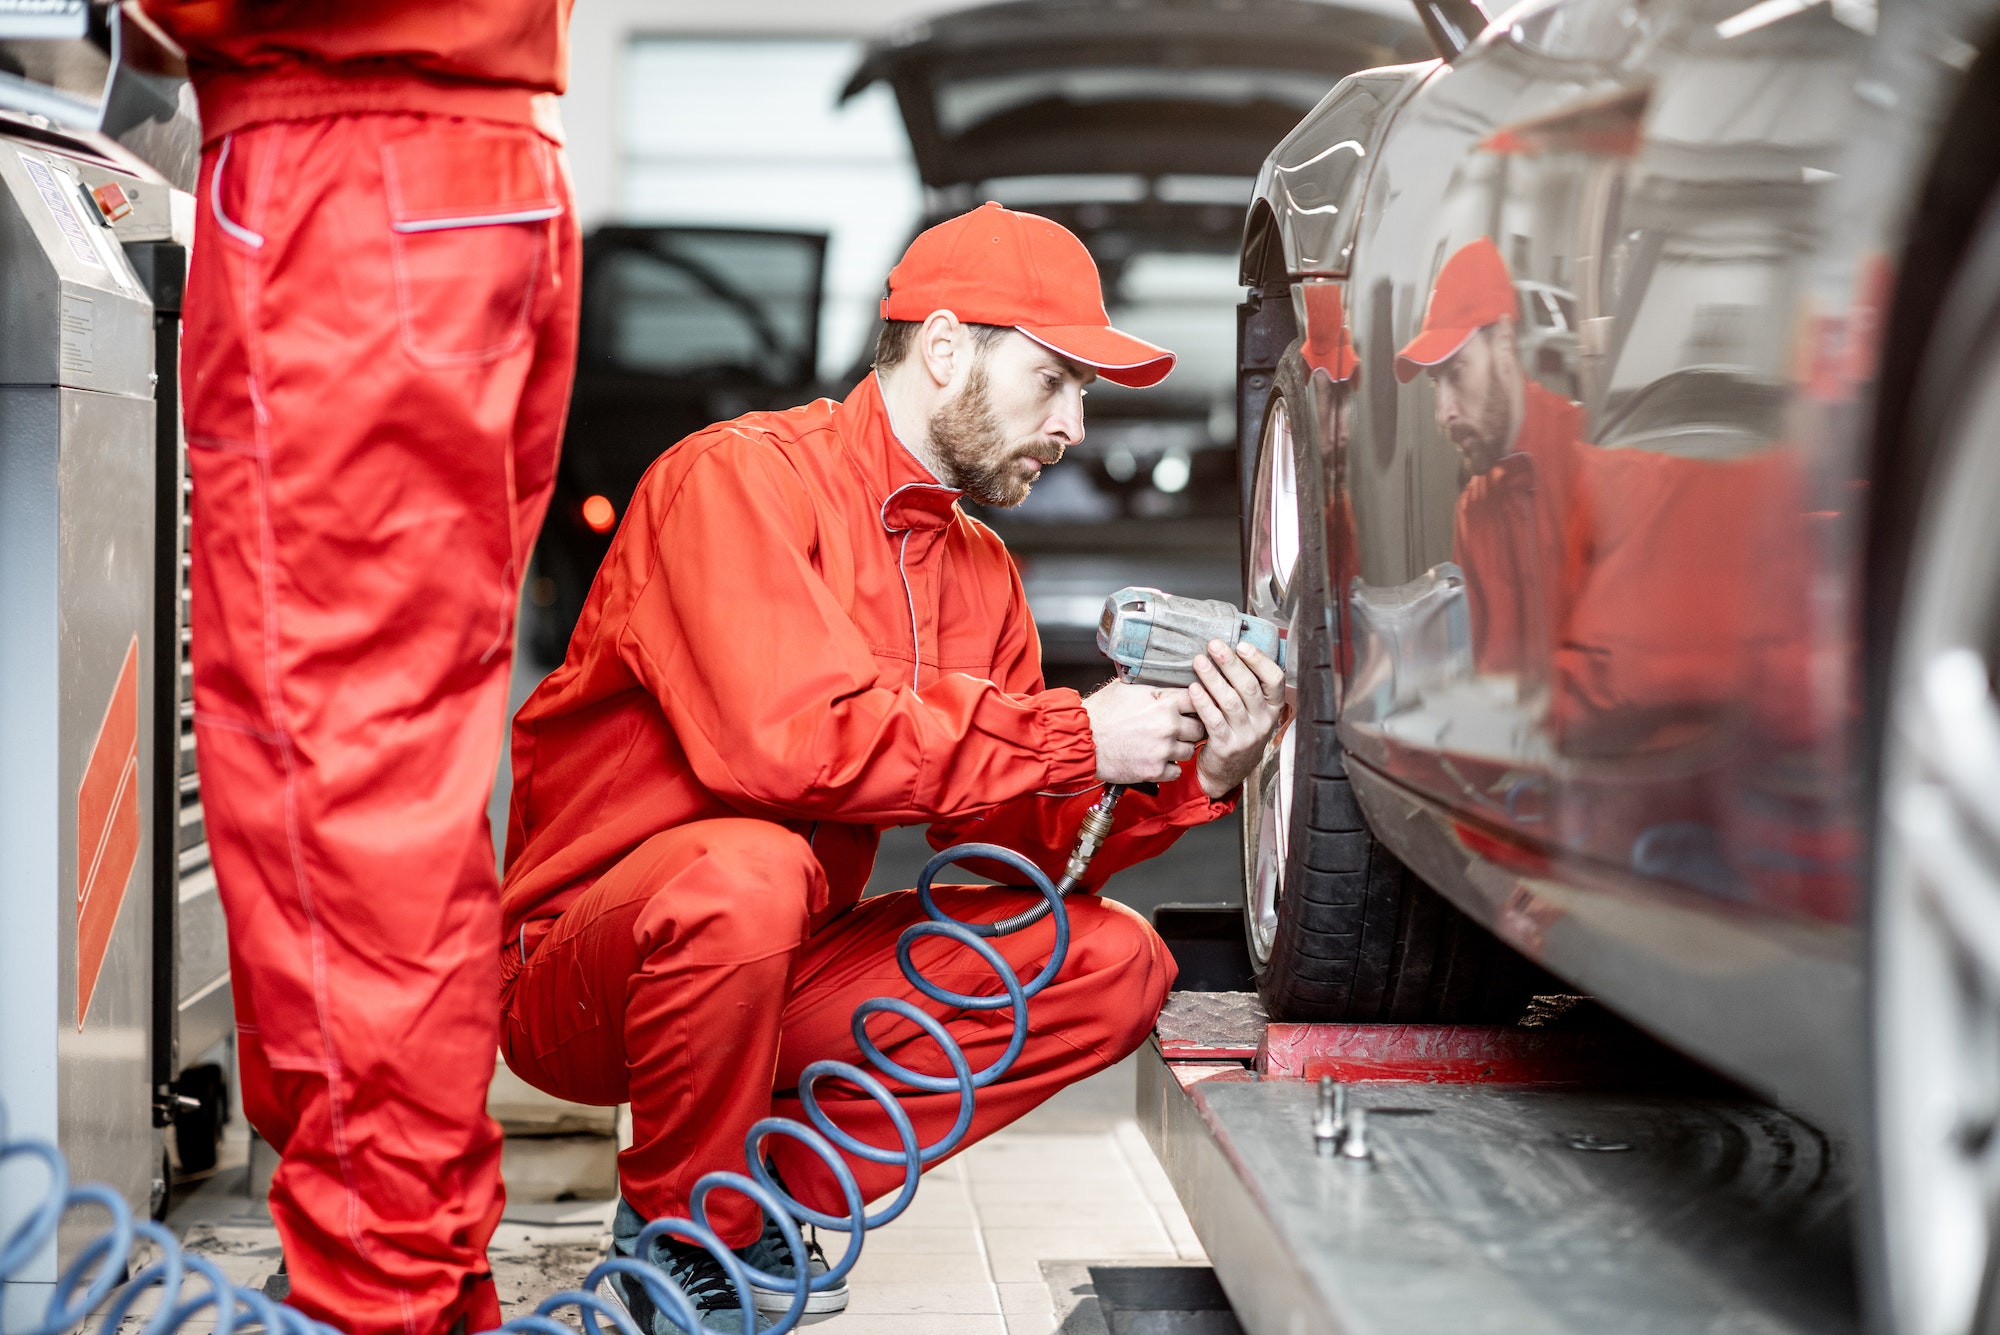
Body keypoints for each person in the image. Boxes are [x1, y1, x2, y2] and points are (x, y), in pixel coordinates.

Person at [496, 203, 1286, 1333]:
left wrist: (1203, 769)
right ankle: (687, 1230)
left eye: (1085, 396)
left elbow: (1032, 854)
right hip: (588, 972)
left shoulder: (981, 571)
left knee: (1112, 961)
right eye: (1053, 379)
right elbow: (785, 745)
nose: (1071, 424)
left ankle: (759, 1186)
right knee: (749, 869)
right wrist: (1074, 732)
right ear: (948, 346)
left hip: (783, 964)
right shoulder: (734, 482)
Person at [137, 4, 580, 1333]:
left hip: (347, 190)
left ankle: (374, 1297)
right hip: (460, 188)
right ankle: (426, 1281)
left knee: (330, 799)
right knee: (392, 782)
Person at [1395, 237, 1587, 698]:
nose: (1444, 414)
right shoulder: (1475, 509)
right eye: (1436, 385)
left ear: (1503, 343)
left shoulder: (1592, 462)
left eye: (1456, 373)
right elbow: (1495, 681)